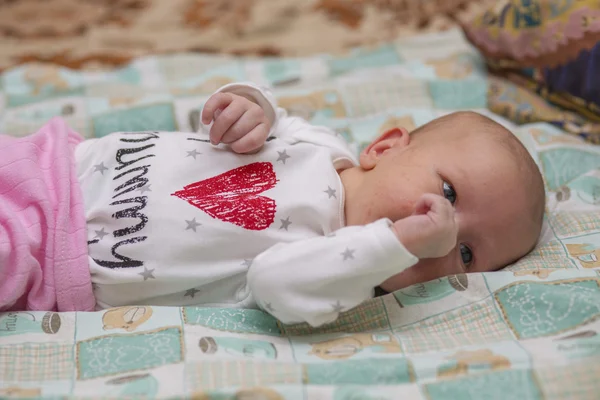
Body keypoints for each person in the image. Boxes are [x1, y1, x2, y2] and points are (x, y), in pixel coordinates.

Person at [0, 82, 545, 327]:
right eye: (449, 194)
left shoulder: (339, 272)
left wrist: (393, 244)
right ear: (382, 148)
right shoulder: (318, 144)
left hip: (46, 256)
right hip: (56, 162)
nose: (445, 231)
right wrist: (248, 104)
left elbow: (273, 284)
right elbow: (241, 120)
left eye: (468, 254)